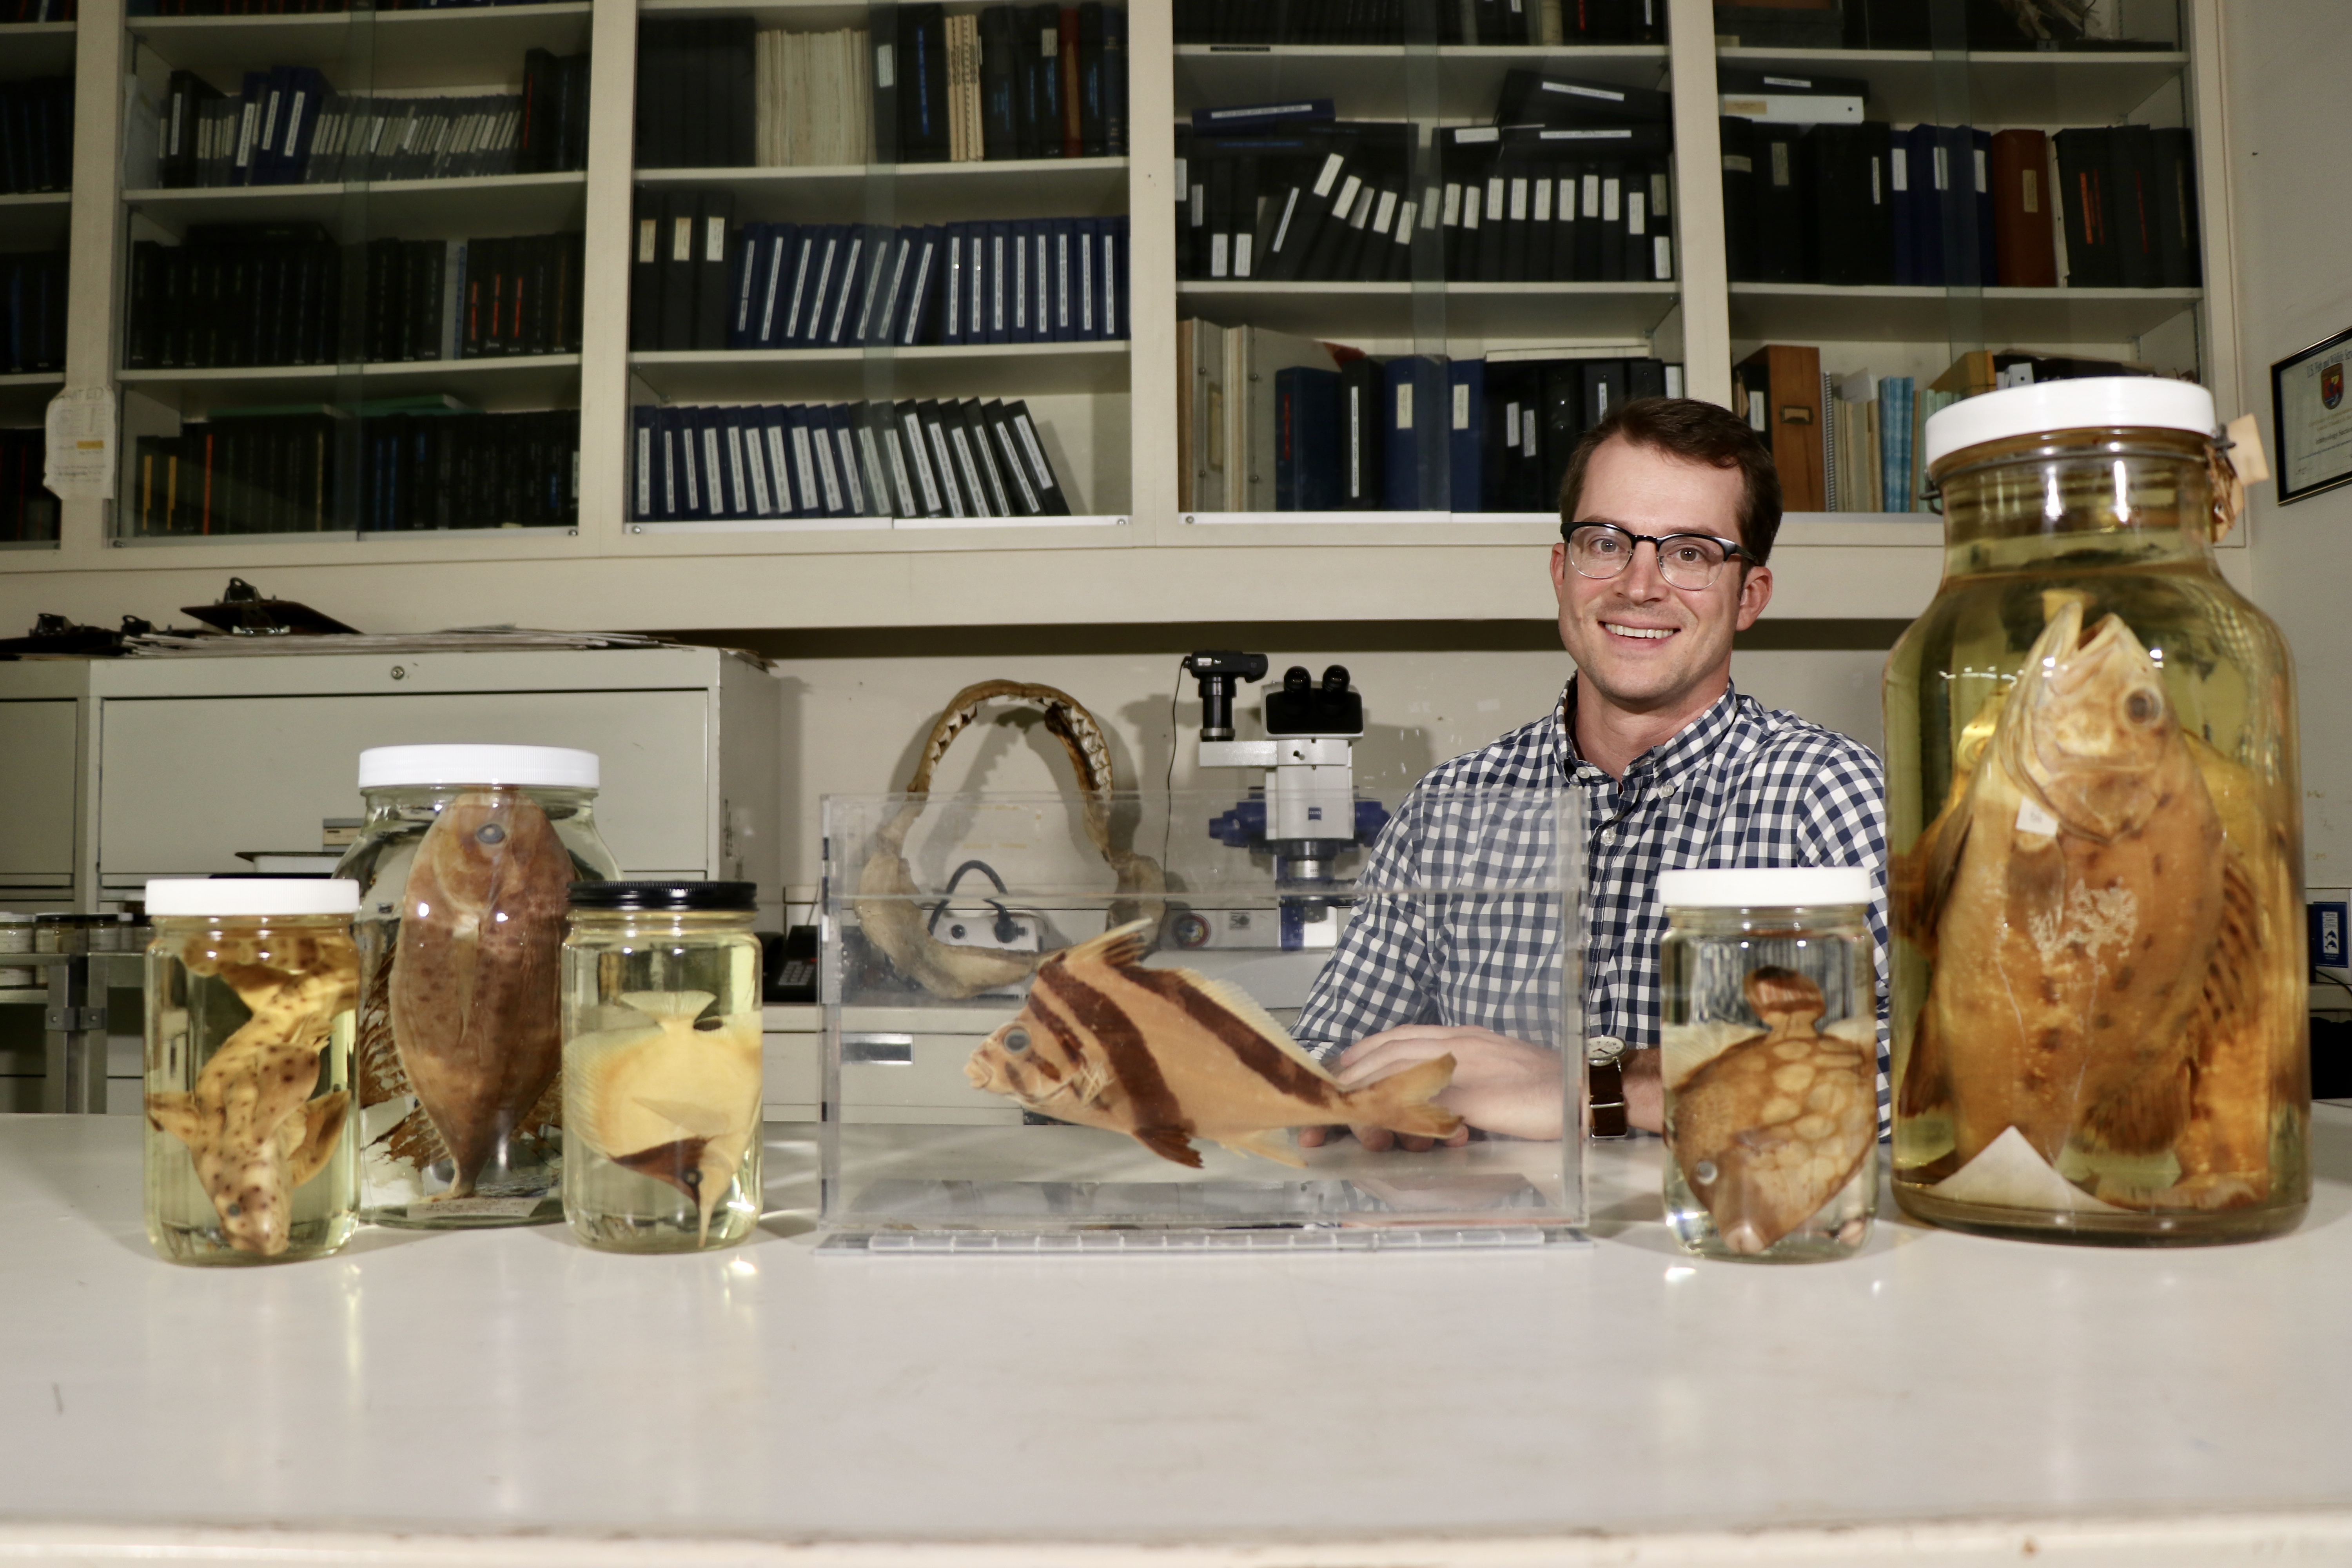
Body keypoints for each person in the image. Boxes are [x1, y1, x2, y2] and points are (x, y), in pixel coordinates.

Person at [1294, 396, 1889, 1148]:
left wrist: (1592, 1086)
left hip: (1730, 1258)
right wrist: (1377, 1112)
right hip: (1492, 1251)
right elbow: (1323, 1068)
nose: (1640, 585)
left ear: (1751, 598)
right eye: (1607, 543)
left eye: (1691, 553)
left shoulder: (1829, 795)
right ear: (1562, 569)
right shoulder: (1450, 809)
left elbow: (1931, 1080)